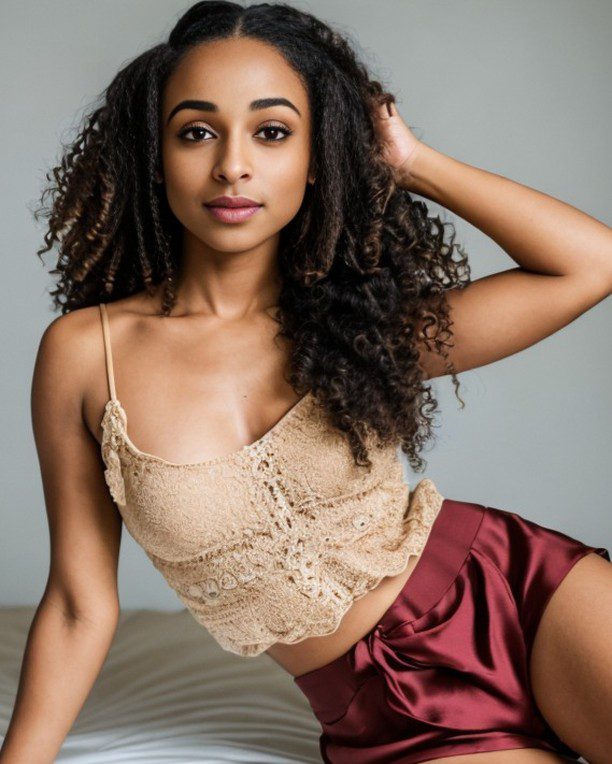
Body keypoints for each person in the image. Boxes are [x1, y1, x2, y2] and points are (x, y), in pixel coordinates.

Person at [2, 2, 611, 762]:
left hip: (517, 597)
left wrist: (410, 161)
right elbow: (76, 605)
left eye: (272, 131)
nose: (232, 165)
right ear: (153, 154)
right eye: (196, 132)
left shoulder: (356, 322)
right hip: (380, 709)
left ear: (317, 155)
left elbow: (591, 264)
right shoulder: (86, 355)